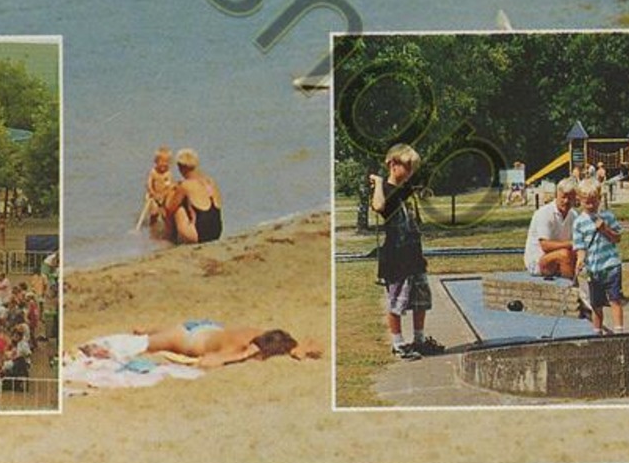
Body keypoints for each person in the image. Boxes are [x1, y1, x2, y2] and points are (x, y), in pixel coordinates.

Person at [369, 143, 443, 360]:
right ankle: (398, 343)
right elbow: (379, 206)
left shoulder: (406, 191)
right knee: (397, 302)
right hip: (396, 257)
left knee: (421, 299)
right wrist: (379, 183)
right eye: (407, 167)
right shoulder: (386, 191)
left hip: (414, 256)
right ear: (393, 164)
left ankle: (419, 339)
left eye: (413, 169)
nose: (410, 173)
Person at [121, 322, 322, 368]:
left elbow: (292, 345)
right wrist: (240, 357)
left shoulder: (262, 333)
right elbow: (206, 362)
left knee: (159, 333)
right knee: (143, 346)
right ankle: (146, 332)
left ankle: (147, 328)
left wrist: (300, 350)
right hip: (186, 338)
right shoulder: (236, 349)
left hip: (209, 326)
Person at [573, 178, 625, 334]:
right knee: (596, 304)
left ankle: (619, 331)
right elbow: (580, 246)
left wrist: (605, 230)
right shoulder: (579, 222)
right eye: (586, 202)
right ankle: (597, 331)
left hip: (611, 265)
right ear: (579, 200)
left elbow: (617, 238)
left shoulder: (608, 216)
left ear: (600, 199)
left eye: (593, 202)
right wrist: (580, 259)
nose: (590, 206)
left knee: (615, 299)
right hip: (594, 270)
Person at [523, 177, 578, 278]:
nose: (566, 201)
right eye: (563, 197)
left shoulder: (573, 215)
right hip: (537, 261)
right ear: (557, 195)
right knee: (564, 255)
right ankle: (572, 288)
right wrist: (570, 244)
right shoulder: (544, 213)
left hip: (557, 257)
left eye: (570, 198)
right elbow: (545, 246)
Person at [165, 148, 223, 244]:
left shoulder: (185, 186)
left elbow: (169, 208)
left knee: (177, 208)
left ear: (181, 168)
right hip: (216, 233)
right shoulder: (210, 181)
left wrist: (170, 192)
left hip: (199, 235)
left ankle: (169, 239)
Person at [141, 146, 175, 239]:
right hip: (153, 196)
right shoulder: (153, 172)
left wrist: (164, 195)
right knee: (154, 212)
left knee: (165, 214)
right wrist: (152, 192)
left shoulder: (168, 173)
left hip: (164, 196)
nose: (164, 164)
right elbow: (148, 184)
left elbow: (170, 186)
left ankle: (167, 230)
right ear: (156, 161)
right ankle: (152, 228)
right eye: (161, 162)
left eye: (166, 162)